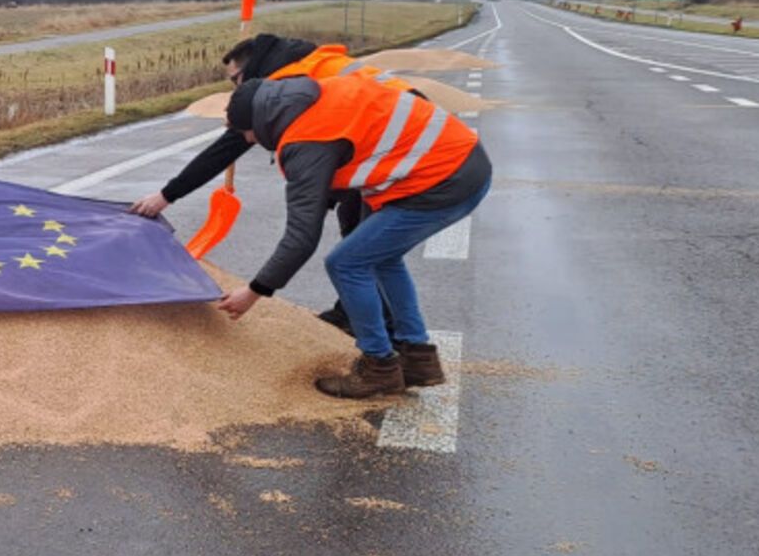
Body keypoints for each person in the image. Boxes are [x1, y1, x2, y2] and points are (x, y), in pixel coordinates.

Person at [213, 73, 491, 399]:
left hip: (442, 179)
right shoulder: (316, 93)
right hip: (462, 163)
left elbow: (301, 236)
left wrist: (254, 290)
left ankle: (380, 367)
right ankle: (417, 358)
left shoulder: (304, 140)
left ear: (259, 123)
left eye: (247, 134)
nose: (249, 141)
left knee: (345, 262)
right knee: (382, 258)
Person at [129, 34, 406, 335]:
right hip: (377, 137)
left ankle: (388, 335)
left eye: (235, 79)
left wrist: (167, 195)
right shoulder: (299, 68)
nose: (234, 88)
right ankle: (358, 313)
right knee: (356, 231)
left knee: (360, 248)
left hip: (394, 144)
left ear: (251, 68)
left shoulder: (284, 86)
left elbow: (230, 145)